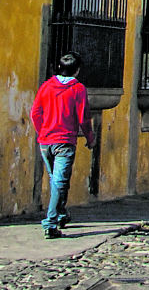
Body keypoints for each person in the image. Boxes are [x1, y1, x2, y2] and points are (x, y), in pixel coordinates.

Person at [29, 53, 95, 239]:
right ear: (77, 70)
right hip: (64, 142)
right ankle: (51, 223)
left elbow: (35, 113)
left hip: (45, 142)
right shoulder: (78, 89)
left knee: (57, 180)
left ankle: (61, 214)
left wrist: (42, 131)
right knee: (60, 181)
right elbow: (83, 118)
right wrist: (90, 138)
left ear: (59, 68)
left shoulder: (46, 86)